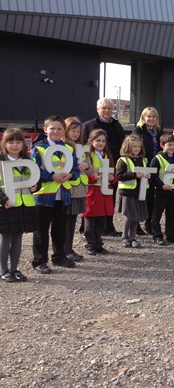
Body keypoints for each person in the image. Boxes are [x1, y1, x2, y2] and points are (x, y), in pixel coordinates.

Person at [32, 115, 80, 273]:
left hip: (63, 194)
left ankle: (59, 256)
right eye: (52, 128)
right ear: (45, 130)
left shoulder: (69, 148)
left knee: (60, 229)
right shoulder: (38, 148)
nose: (56, 131)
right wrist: (51, 176)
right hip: (44, 196)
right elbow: (34, 171)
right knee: (41, 230)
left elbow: (75, 170)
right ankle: (40, 260)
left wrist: (71, 175)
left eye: (59, 128)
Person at [82, 98, 125, 236]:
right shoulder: (88, 125)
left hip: (111, 164)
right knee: (91, 199)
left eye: (109, 108)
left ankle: (108, 226)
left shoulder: (117, 125)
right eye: (104, 108)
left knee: (109, 197)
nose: (107, 111)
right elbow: (83, 145)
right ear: (98, 109)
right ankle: (86, 227)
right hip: (93, 166)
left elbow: (122, 145)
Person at [0, 128, 39, 282]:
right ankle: (3, 270)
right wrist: (3, 200)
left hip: (24, 206)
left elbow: (36, 181)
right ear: (5, 143)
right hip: (7, 206)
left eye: (18, 142)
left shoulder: (29, 161)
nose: (15, 145)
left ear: (23, 144)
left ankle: (15, 269)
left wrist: (36, 186)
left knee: (18, 238)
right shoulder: (1, 162)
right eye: (11, 142)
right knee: (6, 238)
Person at [150, 133, 174, 245]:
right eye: (169, 144)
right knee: (156, 215)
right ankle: (157, 236)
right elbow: (153, 175)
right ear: (162, 145)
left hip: (173, 191)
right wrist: (161, 185)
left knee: (171, 214)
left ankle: (170, 235)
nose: (172, 147)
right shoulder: (157, 159)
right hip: (161, 191)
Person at [83, 129, 116, 255]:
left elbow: (113, 173)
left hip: (104, 191)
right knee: (90, 220)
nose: (101, 143)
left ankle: (98, 243)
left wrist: (113, 179)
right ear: (91, 142)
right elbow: (82, 174)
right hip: (93, 190)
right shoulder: (87, 155)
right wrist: (93, 177)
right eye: (97, 140)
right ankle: (90, 244)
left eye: (103, 141)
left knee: (101, 220)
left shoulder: (107, 155)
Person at [63, 117, 91, 262]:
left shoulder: (81, 147)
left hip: (79, 188)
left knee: (72, 220)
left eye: (78, 131)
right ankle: (65, 249)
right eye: (73, 131)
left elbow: (90, 165)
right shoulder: (63, 147)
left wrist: (86, 166)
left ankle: (69, 248)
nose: (76, 134)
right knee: (66, 221)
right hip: (69, 188)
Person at [115, 134, 150, 249]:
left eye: (138, 147)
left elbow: (146, 173)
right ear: (128, 147)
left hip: (139, 192)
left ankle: (133, 238)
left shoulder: (143, 160)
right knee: (129, 216)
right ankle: (125, 237)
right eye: (134, 146)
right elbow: (119, 176)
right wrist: (134, 175)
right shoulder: (122, 160)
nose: (136, 149)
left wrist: (148, 175)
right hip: (128, 192)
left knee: (136, 216)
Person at [133, 107, 162, 235]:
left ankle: (149, 223)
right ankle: (136, 224)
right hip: (143, 166)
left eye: (154, 117)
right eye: (148, 116)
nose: (151, 119)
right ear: (143, 117)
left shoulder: (159, 131)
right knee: (140, 195)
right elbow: (134, 147)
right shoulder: (139, 130)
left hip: (156, 166)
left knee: (152, 197)